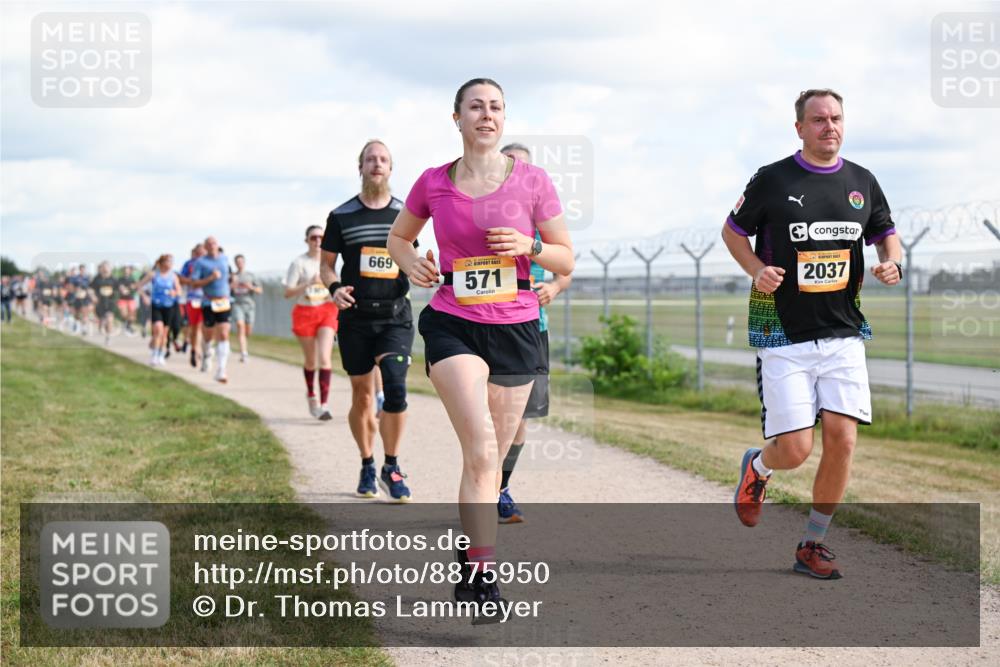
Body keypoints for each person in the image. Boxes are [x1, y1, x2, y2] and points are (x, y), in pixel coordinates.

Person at [387, 78, 574, 614]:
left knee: (492, 457)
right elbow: (399, 238)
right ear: (458, 118)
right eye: (476, 106)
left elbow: (565, 258)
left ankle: (470, 563)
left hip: (516, 327)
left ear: (503, 117)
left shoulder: (534, 181)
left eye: (495, 107)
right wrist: (412, 262)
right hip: (453, 323)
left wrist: (529, 245)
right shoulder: (432, 181)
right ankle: (487, 575)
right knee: (483, 448)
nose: (486, 115)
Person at [722, 88, 903, 580]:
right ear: (799, 127)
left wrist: (893, 261)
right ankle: (759, 468)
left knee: (842, 440)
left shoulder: (862, 181)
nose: (830, 127)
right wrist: (757, 269)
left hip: (843, 333)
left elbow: (886, 232)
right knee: (797, 450)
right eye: (819, 119)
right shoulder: (772, 178)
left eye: (837, 118)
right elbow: (733, 231)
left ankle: (812, 544)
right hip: (783, 333)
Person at [321, 140, 415, 502]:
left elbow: (410, 256)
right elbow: (327, 264)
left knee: (395, 388)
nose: (377, 164)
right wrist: (333, 289)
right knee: (362, 396)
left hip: (395, 317)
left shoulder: (405, 213)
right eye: (370, 159)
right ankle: (366, 463)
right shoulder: (341, 215)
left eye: (384, 159)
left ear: (391, 169)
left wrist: (423, 268)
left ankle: (391, 465)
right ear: (359, 167)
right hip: (356, 319)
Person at [496, 142, 574, 524]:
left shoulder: (545, 220)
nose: (519, 173)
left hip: (532, 330)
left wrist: (556, 288)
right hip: (489, 327)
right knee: (489, 418)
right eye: (512, 165)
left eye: (526, 167)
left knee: (520, 419)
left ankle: (501, 489)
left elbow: (567, 267)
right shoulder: (488, 215)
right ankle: (484, 484)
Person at [285, 226, 339, 419]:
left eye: (321, 237)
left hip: (326, 310)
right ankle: (311, 395)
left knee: (324, 357)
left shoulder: (332, 260)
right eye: (313, 237)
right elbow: (287, 292)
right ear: (307, 240)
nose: (317, 241)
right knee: (311, 360)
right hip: (305, 312)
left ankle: (324, 404)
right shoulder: (299, 263)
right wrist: (309, 283)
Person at [188, 236, 233, 383]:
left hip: (224, 301)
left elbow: (229, 278)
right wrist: (210, 278)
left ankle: (221, 369)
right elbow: (194, 284)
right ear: (205, 247)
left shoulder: (225, 259)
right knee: (208, 334)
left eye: (215, 243)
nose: (213, 246)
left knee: (224, 332)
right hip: (208, 302)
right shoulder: (201, 263)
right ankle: (207, 353)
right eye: (210, 244)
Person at [136, 255, 181, 367]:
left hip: (169, 306)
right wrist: (144, 297)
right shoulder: (153, 274)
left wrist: (174, 293)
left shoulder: (173, 276)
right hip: (156, 305)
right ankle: (154, 355)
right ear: (162, 263)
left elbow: (179, 290)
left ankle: (161, 354)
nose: (170, 264)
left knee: (164, 334)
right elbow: (139, 286)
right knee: (158, 330)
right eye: (168, 261)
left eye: (171, 262)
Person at [178, 244, 208, 369]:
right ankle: (195, 349)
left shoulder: (210, 264)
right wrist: (191, 281)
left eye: (203, 252)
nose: (201, 254)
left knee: (203, 327)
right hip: (193, 299)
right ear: (195, 253)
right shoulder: (189, 264)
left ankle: (200, 351)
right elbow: (180, 278)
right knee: (195, 327)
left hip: (207, 299)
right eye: (199, 252)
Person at [230, 254, 262, 363]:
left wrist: (251, 287)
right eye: (237, 262)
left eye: (241, 261)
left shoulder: (250, 275)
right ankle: (244, 353)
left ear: (244, 262)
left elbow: (260, 290)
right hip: (237, 304)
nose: (239, 264)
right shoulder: (232, 276)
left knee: (248, 331)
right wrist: (232, 285)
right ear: (235, 263)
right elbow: (226, 289)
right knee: (240, 325)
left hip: (249, 305)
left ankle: (243, 341)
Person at [90, 261, 119, 345]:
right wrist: (93, 296)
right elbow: (90, 288)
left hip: (110, 302)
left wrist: (123, 290)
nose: (105, 269)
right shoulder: (97, 279)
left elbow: (119, 287)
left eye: (107, 267)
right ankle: (102, 324)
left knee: (109, 319)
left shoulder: (113, 279)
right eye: (103, 267)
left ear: (110, 268)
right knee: (103, 322)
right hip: (100, 303)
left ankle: (108, 337)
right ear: (101, 269)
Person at [116, 265, 138, 335]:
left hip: (131, 299)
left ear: (129, 271)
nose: (126, 271)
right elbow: (119, 287)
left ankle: (128, 326)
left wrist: (133, 288)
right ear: (123, 271)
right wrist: (121, 289)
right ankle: (125, 323)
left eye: (127, 269)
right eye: (125, 269)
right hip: (122, 299)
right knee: (124, 314)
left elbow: (135, 288)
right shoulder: (120, 279)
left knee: (132, 316)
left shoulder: (133, 279)